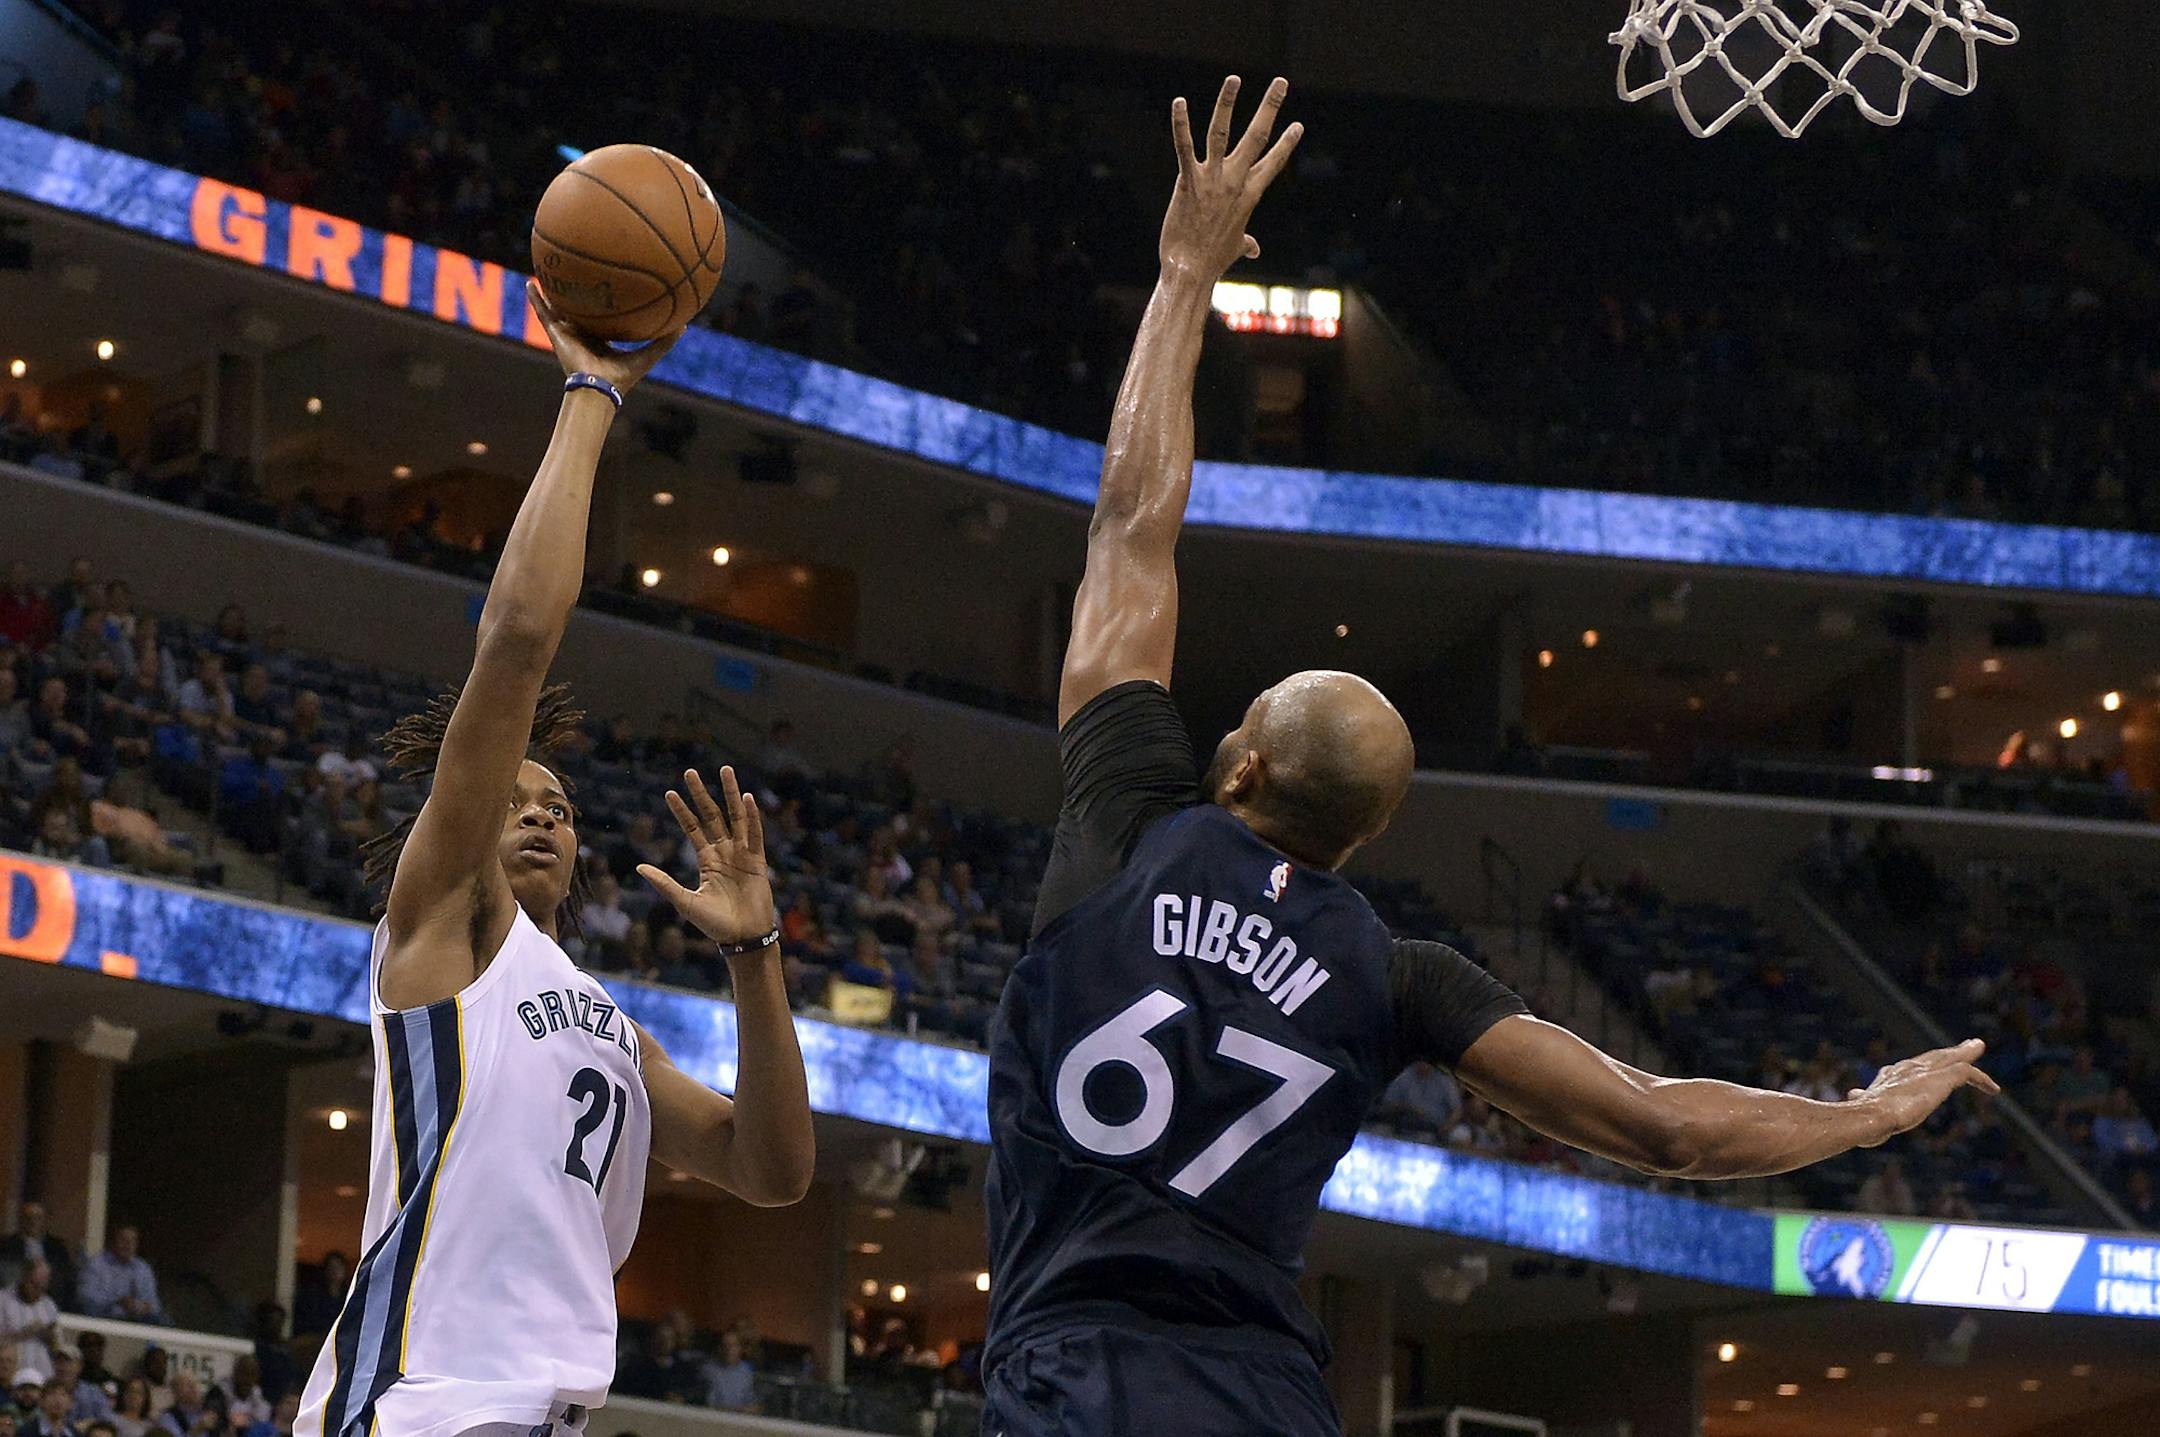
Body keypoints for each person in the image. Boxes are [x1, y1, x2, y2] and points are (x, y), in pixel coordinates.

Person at [978, 76, 1999, 1437]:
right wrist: (1864, 1115)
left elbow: (1131, 524)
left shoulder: (1128, 819)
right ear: (1361, 836)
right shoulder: (1395, 975)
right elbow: (1667, 1125)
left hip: (1077, 1366)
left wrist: (1183, 278)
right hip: (1268, 1395)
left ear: (1240, 771)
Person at [293, 284, 814, 1437]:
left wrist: (758, 959)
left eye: (561, 809)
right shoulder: (446, 933)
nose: (538, 817)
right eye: (513, 801)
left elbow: (771, 1171)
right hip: (421, 1409)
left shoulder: (612, 1031)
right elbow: (519, 643)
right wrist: (593, 392)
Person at [75, 1228, 164, 1324]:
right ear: (113, 1242)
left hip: (137, 1321)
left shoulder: (142, 1268)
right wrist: (119, 1301)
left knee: (163, 1320)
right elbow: (85, 1296)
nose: (128, 1244)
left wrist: (145, 1307)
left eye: (133, 1241)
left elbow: (155, 1305)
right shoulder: (96, 1264)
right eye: (123, 1240)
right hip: (106, 1318)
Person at [0, 1206, 74, 1305]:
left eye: (38, 1217)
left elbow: (65, 1280)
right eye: (28, 1217)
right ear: (21, 1220)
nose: (32, 1221)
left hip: (51, 1301)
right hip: (13, 1301)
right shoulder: (6, 1245)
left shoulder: (57, 1248)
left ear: (46, 1220)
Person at [0, 1264, 58, 1381]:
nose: (37, 1291)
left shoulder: (49, 1305)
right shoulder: (3, 1299)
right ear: (24, 1277)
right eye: (34, 1284)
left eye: (42, 1287)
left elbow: (56, 1348)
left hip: (42, 1375)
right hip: (12, 1376)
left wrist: (49, 1336)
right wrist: (25, 1333)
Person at [698, 1333, 755, 1412]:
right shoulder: (708, 1370)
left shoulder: (746, 1371)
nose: (729, 1349)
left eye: (733, 1345)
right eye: (725, 1345)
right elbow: (708, 1405)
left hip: (740, 1417)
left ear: (740, 1348)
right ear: (719, 1348)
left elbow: (751, 1402)